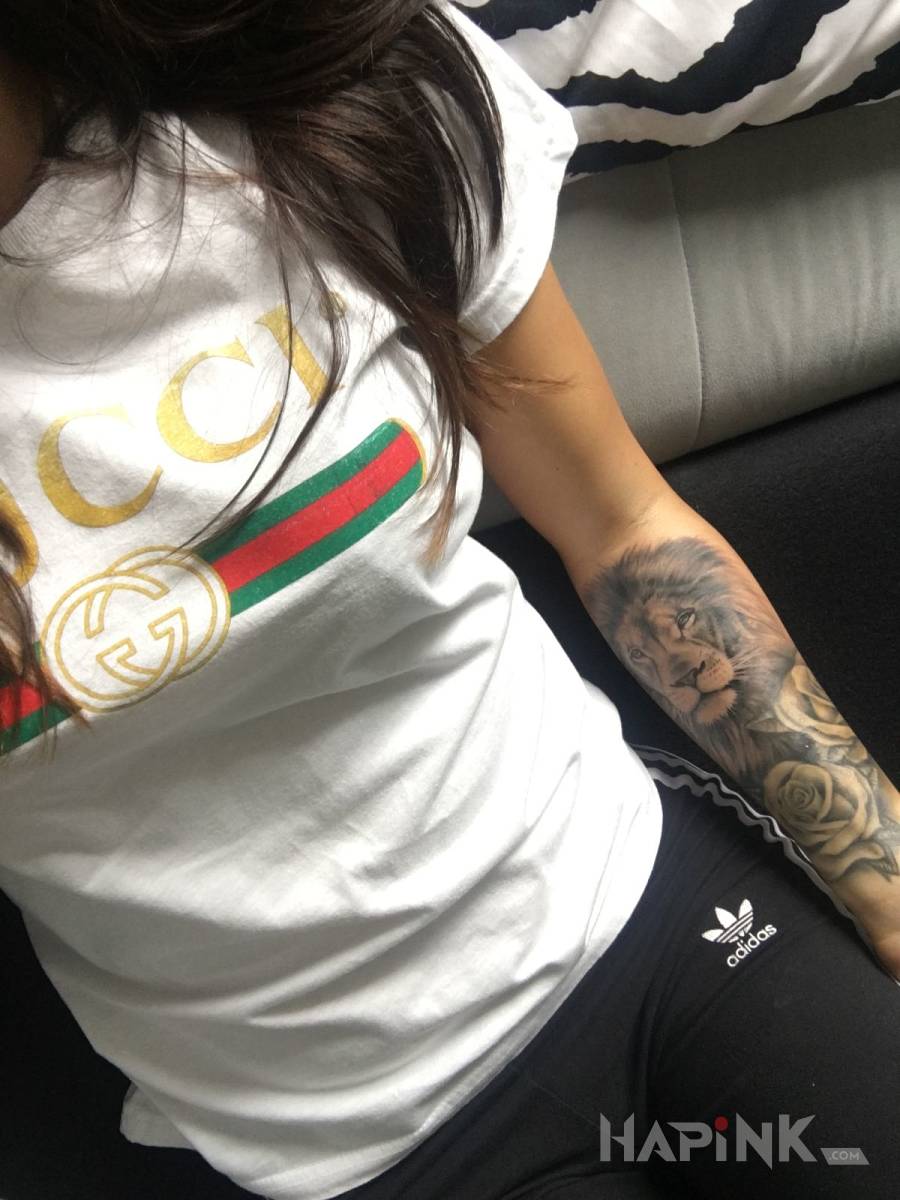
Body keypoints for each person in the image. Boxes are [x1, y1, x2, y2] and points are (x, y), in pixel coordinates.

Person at [0, 3, 897, 1199]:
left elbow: (621, 525)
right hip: (349, 1142)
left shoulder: (328, 89)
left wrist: (887, 878)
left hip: (642, 908)